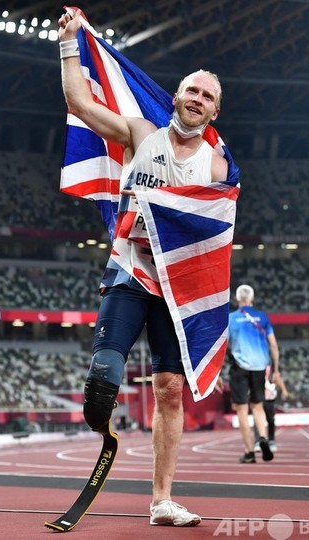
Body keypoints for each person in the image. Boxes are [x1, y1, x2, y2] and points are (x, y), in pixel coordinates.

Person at [58, 10, 230, 527]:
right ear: (175, 96)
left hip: (176, 287)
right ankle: (102, 419)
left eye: (206, 95)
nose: (196, 98)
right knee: (104, 377)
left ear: (215, 109)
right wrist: (69, 43)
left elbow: (214, 237)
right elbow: (80, 103)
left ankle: (161, 501)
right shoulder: (141, 133)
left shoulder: (217, 168)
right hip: (130, 271)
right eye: (191, 90)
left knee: (170, 389)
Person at [226, 284, 278, 464]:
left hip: (239, 367)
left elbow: (222, 346)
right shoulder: (262, 317)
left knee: (241, 409)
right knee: (258, 406)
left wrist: (216, 371)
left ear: (237, 299)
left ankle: (249, 452)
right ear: (252, 299)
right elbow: (273, 346)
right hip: (259, 366)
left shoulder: (231, 318)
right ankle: (262, 437)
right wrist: (275, 369)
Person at [253, 364, 289, 454]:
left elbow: (277, 378)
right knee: (257, 420)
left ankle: (271, 441)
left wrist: (284, 389)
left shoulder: (272, 367)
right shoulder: (255, 365)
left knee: (271, 420)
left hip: (270, 398)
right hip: (258, 397)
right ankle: (258, 441)